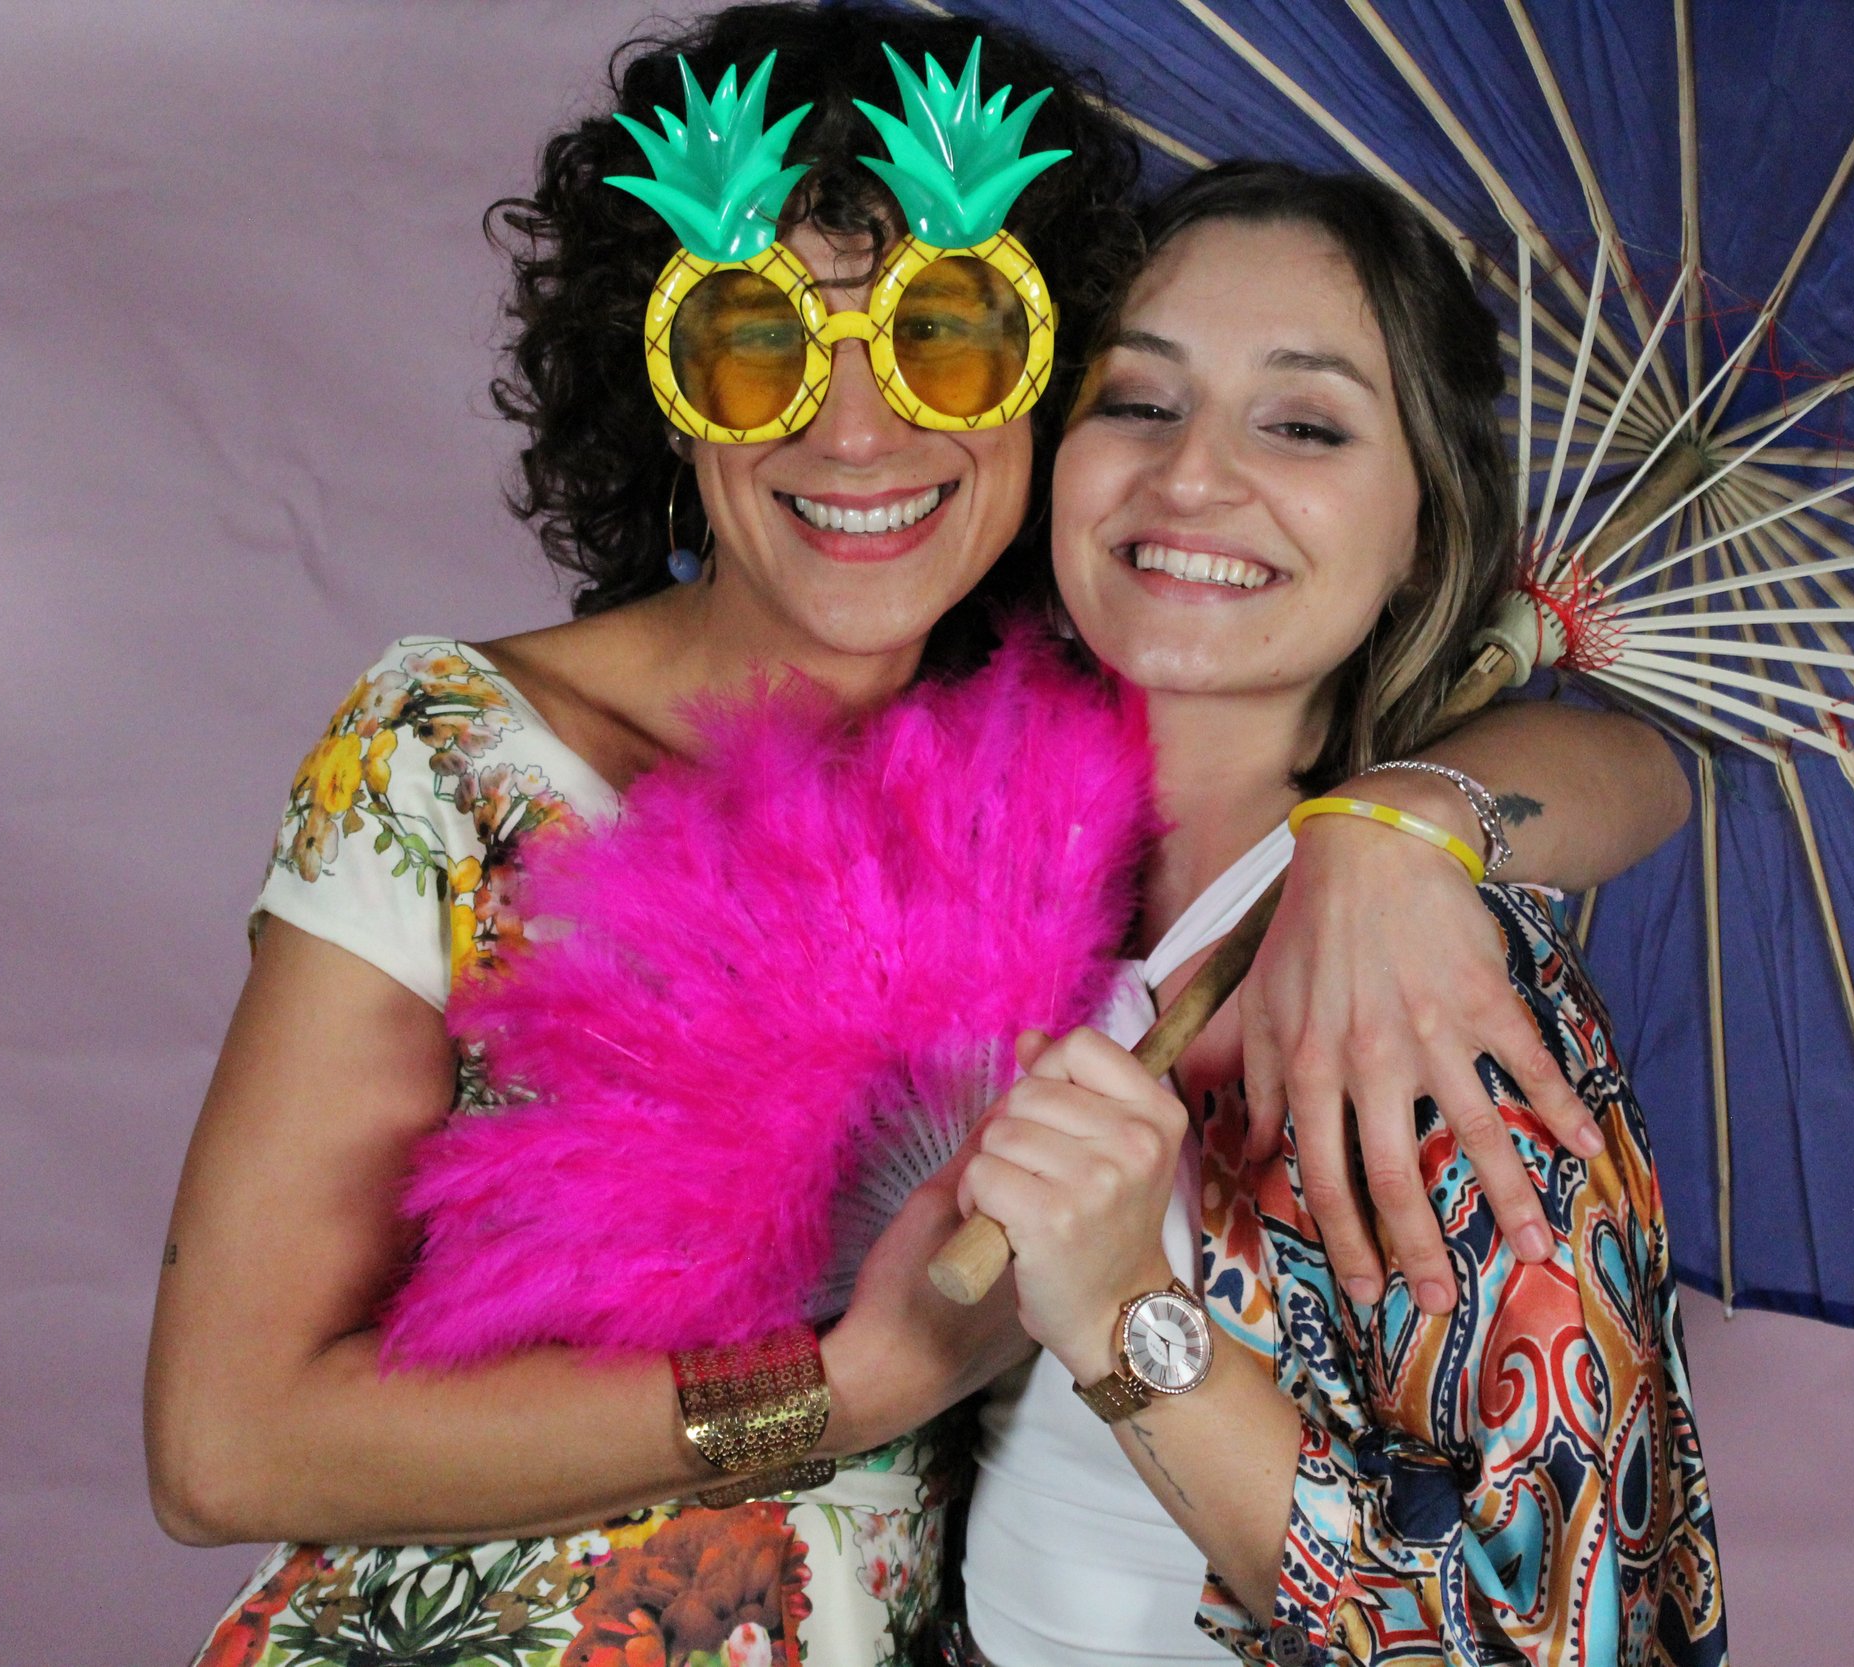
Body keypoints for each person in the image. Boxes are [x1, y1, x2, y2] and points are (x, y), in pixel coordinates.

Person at [144, 10, 1687, 1666]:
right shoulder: (457, 755)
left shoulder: (1083, 804)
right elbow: (223, 1446)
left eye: (942, 341)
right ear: (659, 391)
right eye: (758, 349)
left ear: (1032, 398)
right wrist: (843, 1392)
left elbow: (1641, 764)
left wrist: (1405, 824)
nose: (858, 431)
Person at [955, 163, 1726, 1664]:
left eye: (1303, 425)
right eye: (1137, 400)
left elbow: (1539, 1635)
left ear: (1424, 533)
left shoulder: (1430, 988)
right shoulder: (982, 879)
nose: (1193, 477)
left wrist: (1126, 1313)